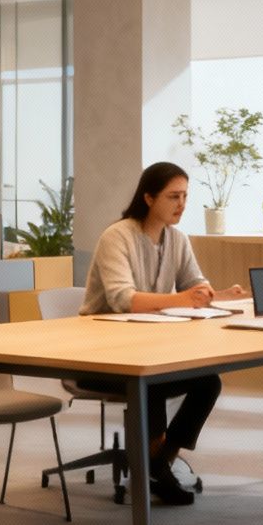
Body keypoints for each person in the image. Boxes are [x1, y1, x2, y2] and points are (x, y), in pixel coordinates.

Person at [79, 161, 248, 505]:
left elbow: (193, 284)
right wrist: (184, 298)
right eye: (173, 196)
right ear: (148, 197)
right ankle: (156, 468)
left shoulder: (177, 238)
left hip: (146, 346)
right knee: (150, 379)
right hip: (99, 355)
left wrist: (215, 294)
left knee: (207, 382)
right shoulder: (118, 236)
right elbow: (122, 299)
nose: (181, 204)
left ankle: (160, 462)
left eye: (185, 196)